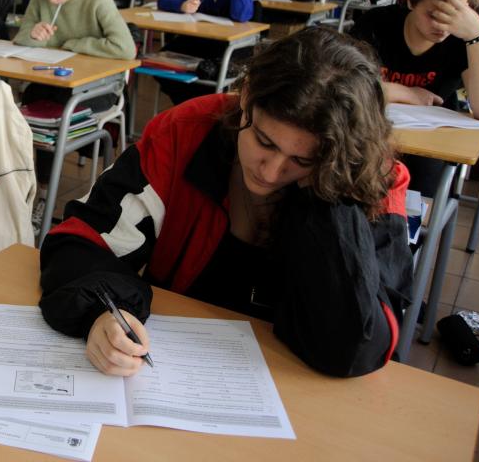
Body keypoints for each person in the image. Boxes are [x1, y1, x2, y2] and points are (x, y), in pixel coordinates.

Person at [39, 26, 414, 378]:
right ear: (247, 97)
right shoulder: (185, 134)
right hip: (177, 367)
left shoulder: (371, 178)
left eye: (302, 160)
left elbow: (360, 343)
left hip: (301, 386)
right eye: (265, 142)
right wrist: (103, 313)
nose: (270, 172)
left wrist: (332, 190)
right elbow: (80, 240)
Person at [351, 0, 479, 195]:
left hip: (432, 143)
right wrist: (404, 92)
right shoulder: (376, 24)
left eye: (456, 14)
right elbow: (342, 84)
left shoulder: (463, 39)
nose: (444, 25)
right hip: (370, 131)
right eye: (433, 14)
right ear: (410, 0)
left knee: (422, 193)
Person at [13, 0, 137, 224]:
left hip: (98, 88)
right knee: (33, 97)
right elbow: (22, 40)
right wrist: (33, 34)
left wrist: (74, 44)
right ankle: (41, 190)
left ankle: (51, 191)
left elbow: (125, 48)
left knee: (57, 106)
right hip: (53, 81)